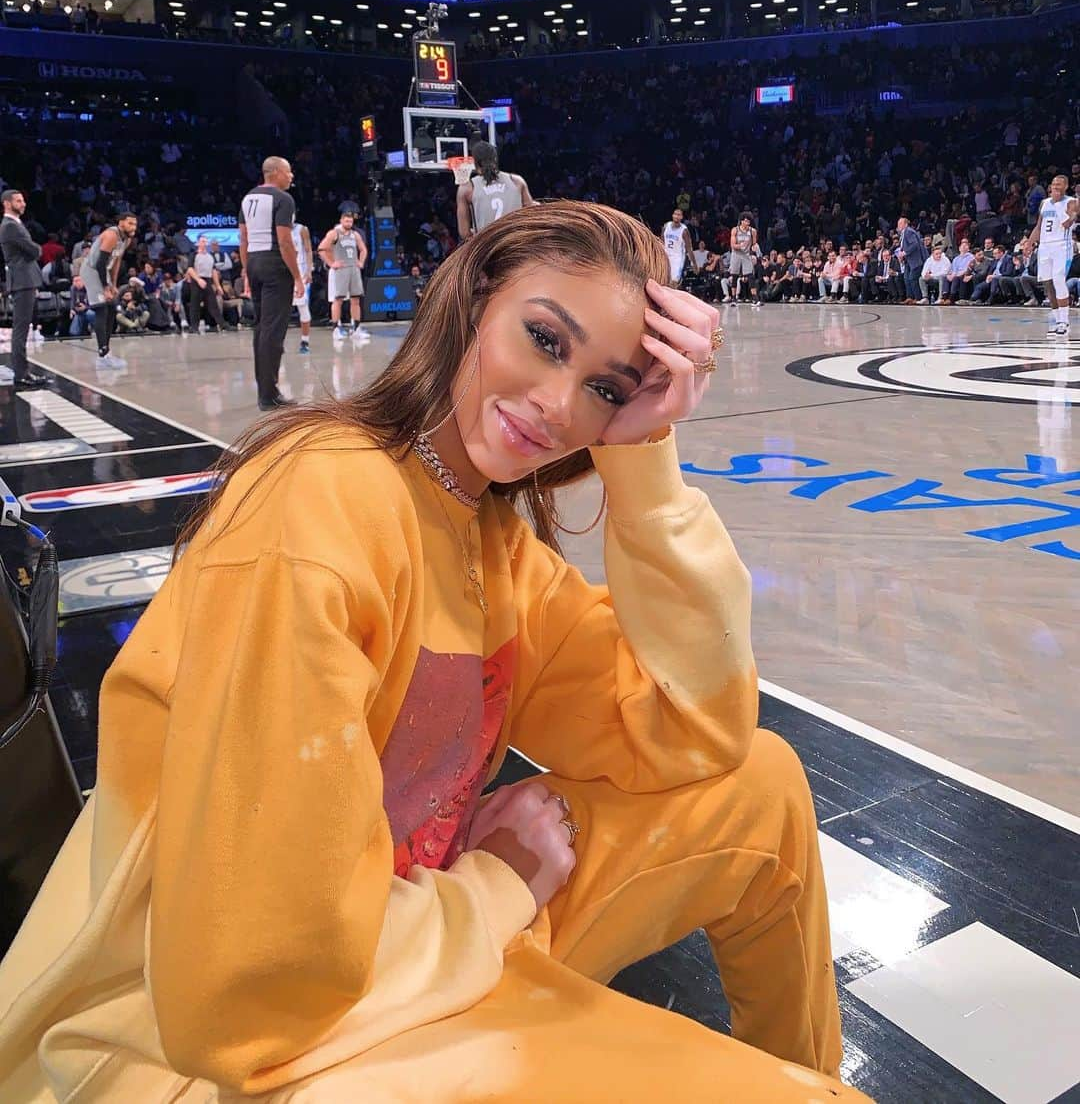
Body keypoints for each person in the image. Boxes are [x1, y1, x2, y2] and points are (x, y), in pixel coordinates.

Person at [0, 202, 867, 1104]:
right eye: (544, 338)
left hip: (404, 940)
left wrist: (646, 456)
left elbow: (698, 729)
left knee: (760, 783)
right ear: (475, 297)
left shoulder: (490, 537)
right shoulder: (315, 506)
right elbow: (242, 988)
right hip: (215, 1043)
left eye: (605, 389)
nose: (559, 404)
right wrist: (499, 887)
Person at [238, 157, 304, 411]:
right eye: (288, 172)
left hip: (254, 261)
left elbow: (243, 238)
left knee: (261, 327)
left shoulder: (248, 198)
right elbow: (285, 240)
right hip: (275, 263)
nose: (291, 177)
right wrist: (297, 276)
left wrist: (246, 270)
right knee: (273, 330)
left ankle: (264, 389)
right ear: (275, 172)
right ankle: (269, 395)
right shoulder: (283, 199)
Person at [0, 188, 49, 388]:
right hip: (22, 280)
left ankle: (23, 372)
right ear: (7, 203)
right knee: (21, 329)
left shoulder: (14, 224)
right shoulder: (10, 226)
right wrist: (37, 248)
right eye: (18, 201)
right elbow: (33, 250)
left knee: (22, 327)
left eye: (23, 200)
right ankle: (21, 373)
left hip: (24, 279)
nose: (23, 204)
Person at [82, 210, 138, 371]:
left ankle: (106, 352)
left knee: (112, 308)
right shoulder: (111, 235)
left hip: (104, 272)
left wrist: (113, 284)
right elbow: (100, 263)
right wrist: (105, 287)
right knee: (101, 309)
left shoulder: (127, 239)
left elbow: (116, 261)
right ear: (121, 223)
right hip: (92, 270)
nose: (133, 226)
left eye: (135, 223)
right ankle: (102, 354)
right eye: (130, 223)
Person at [1026, 173, 1078, 338]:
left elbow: (1070, 221)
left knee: (1058, 279)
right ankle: (1057, 321)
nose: (1055, 186)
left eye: (1059, 184)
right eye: (1054, 183)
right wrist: (1029, 243)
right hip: (1045, 247)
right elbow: (1039, 226)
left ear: (1066, 187)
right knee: (1048, 284)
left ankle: (1064, 321)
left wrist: (1072, 217)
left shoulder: (1070, 202)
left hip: (1062, 246)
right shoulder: (1044, 203)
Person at [456, 139, 535, 239]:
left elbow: (464, 233)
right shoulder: (517, 181)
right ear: (495, 159)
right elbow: (532, 215)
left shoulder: (467, 188)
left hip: (489, 247)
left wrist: (478, 234)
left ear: (475, 162)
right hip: (515, 244)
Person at [318, 204, 370, 346]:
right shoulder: (334, 233)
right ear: (341, 220)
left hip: (354, 268)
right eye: (346, 221)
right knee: (338, 299)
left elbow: (363, 249)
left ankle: (356, 329)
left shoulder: (355, 234)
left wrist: (361, 262)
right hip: (341, 269)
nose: (349, 223)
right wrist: (331, 263)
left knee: (355, 299)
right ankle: (336, 328)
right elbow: (321, 249)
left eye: (351, 221)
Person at [185, 237, 226, 333]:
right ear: (198, 243)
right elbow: (190, 269)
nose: (204, 243)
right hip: (197, 280)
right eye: (203, 241)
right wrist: (198, 280)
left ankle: (222, 324)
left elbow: (214, 271)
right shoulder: (194, 255)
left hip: (207, 280)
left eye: (205, 241)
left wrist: (218, 285)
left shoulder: (210, 256)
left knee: (213, 303)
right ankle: (194, 327)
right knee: (195, 304)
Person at [291, 217, 314, 354]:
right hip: (283, 271)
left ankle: (305, 341)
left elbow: (308, 250)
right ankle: (278, 343)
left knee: (302, 306)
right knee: (281, 309)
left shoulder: (302, 229)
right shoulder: (278, 229)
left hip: (300, 271)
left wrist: (309, 271)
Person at [728, 213, 760, 307]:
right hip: (736, 254)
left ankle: (754, 298)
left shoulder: (752, 231)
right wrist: (741, 245)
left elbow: (754, 243)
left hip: (746, 255)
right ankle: (733, 298)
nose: (748, 222)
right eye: (746, 220)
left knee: (750, 275)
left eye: (749, 221)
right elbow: (732, 245)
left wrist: (755, 247)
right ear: (741, 221)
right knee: (734, 275)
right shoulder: (735, 230)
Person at [895, 216, 927, 304]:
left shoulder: (908, 231)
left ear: (905, 224)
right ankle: (910, 297)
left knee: (913, 278)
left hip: (916, 260)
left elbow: (914, 244)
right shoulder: (903, 233)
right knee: (906, 278)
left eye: (900, 223)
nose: (898, 225)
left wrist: (905, 252)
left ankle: (918, 298)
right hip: (908, 261)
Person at [660, 206, 693, 287]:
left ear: (681, 217)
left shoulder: (684, 230)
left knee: (674, 282)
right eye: (675, 214)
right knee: (664, 280)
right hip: (666, 255)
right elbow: (662, 240)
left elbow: (689, 248)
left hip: (677, 257)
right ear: (672, 215)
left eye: (679, 215)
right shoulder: (666, 226)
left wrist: (693, 263)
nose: (676, 216)